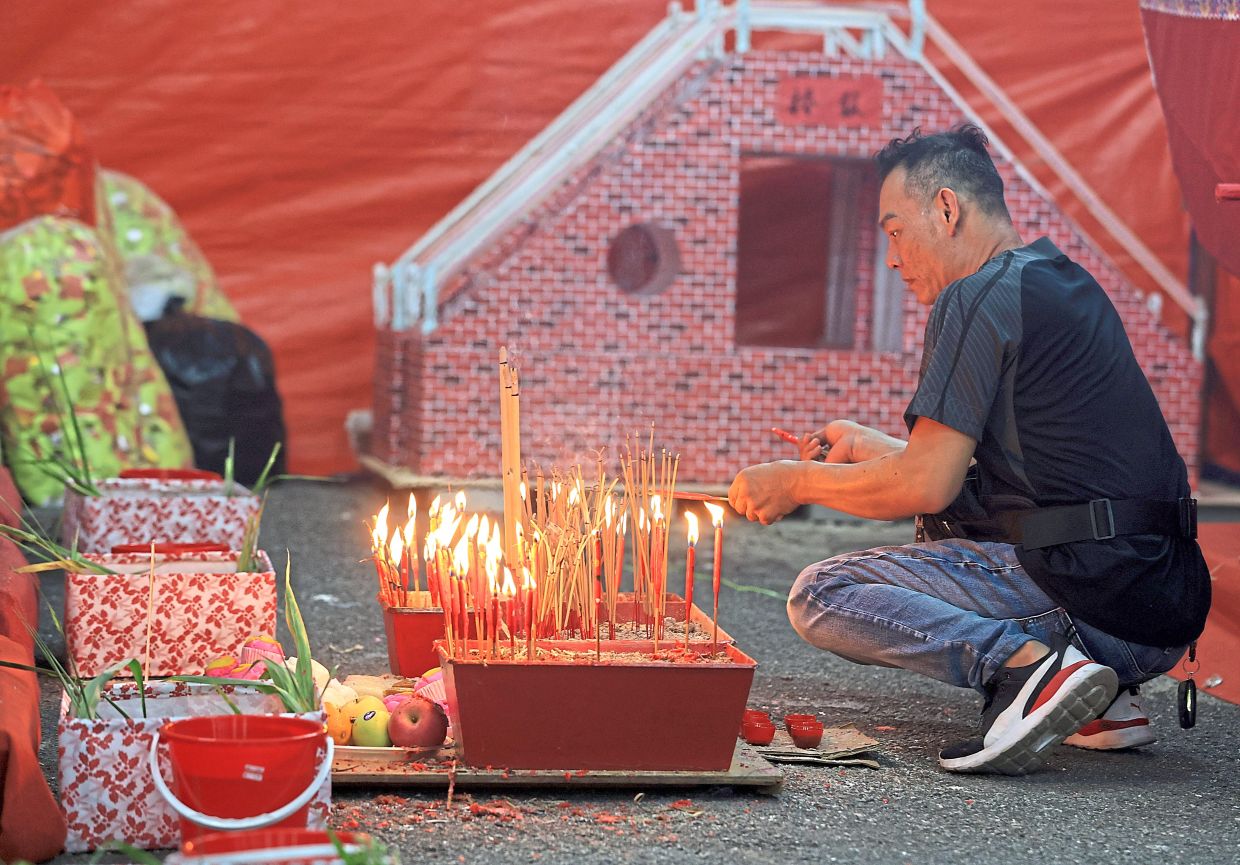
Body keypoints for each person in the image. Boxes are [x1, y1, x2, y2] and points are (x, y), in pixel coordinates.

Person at [728, 124, 1211, 775]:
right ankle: (1104, 699)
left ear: (947, 208)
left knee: (823, 591)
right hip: (1159, 611)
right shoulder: (1060, 283)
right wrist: (879, 448)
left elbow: (923, 485)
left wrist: (796, 480)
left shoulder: (975, 296)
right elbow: (1028, 479)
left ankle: (1032, 672)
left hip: (1087, 593)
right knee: (948, 521)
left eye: (895, 229)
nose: (892, 257)